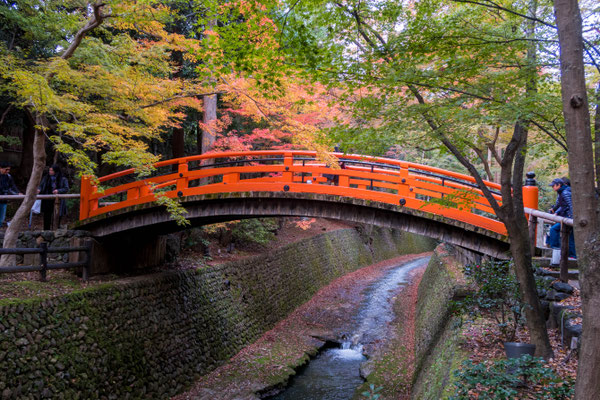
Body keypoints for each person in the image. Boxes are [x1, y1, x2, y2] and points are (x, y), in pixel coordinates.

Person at [546, 177, 576, 262]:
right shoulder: (562, 192)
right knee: (570, 237)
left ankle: (557, 249)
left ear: (559, 185)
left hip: (569, 218)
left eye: (553, 186)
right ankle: (571, 255)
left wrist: (571, 217)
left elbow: (571, 205)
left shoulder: (565, 193)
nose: (553, 188)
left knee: (554, 229)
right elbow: (562, 205)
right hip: (567, 217)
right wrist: (556, 212)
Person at [38, 164, 69, 230]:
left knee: (57, 215)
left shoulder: (62, 179)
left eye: (51, 170)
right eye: (49, 170)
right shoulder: (46, 178)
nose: (50, 171)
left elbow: (66, 188)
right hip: (47, 199)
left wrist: (58, 190)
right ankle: (46, 230)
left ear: (55, 171)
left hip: (58, 200)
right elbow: (41, 186)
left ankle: (56, 229)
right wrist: (39, 190)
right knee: (47, 216)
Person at [0, 163, 21, 227]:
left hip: (4, 200)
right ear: (1, 168)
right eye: (6, 169)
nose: (8, 171)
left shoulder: (8, 177)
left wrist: (17, 193)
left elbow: (12, 186)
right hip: (2, 195)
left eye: (9, 170)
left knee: (1, 218)